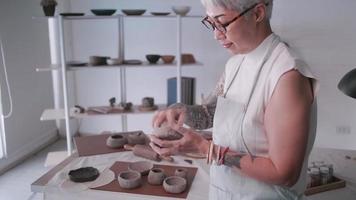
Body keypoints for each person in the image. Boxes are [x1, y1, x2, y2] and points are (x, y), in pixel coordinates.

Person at [150, 0, 319, 199]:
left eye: (222, 23)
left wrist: (205, 148)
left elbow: (284, 173)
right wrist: (181, 112)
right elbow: (210, 114)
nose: (216, 34)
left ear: (257, 13)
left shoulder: (287, 75)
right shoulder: (236, 62)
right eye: (211, 23)